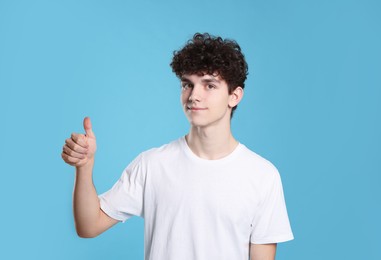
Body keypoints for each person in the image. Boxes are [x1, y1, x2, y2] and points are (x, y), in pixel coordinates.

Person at [61, 33, 294, 260]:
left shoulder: (263, 176)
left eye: (209, 86)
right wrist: (85, 166)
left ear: (234, 96)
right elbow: (88, 226)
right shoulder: (152, 165)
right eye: (187, 85)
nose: (194, 96)